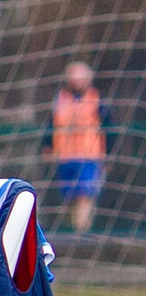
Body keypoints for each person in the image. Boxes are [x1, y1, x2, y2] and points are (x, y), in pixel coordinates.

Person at [54, 60, 105, 235]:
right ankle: (74, 231)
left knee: (85, 194)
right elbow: (51, 125)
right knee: (69, 197)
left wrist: (107, 152)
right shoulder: (60, 99)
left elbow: (109, 127)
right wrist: (48, 147)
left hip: (89, 155)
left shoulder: (96, 99)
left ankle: (82, 232)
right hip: (65, 156)